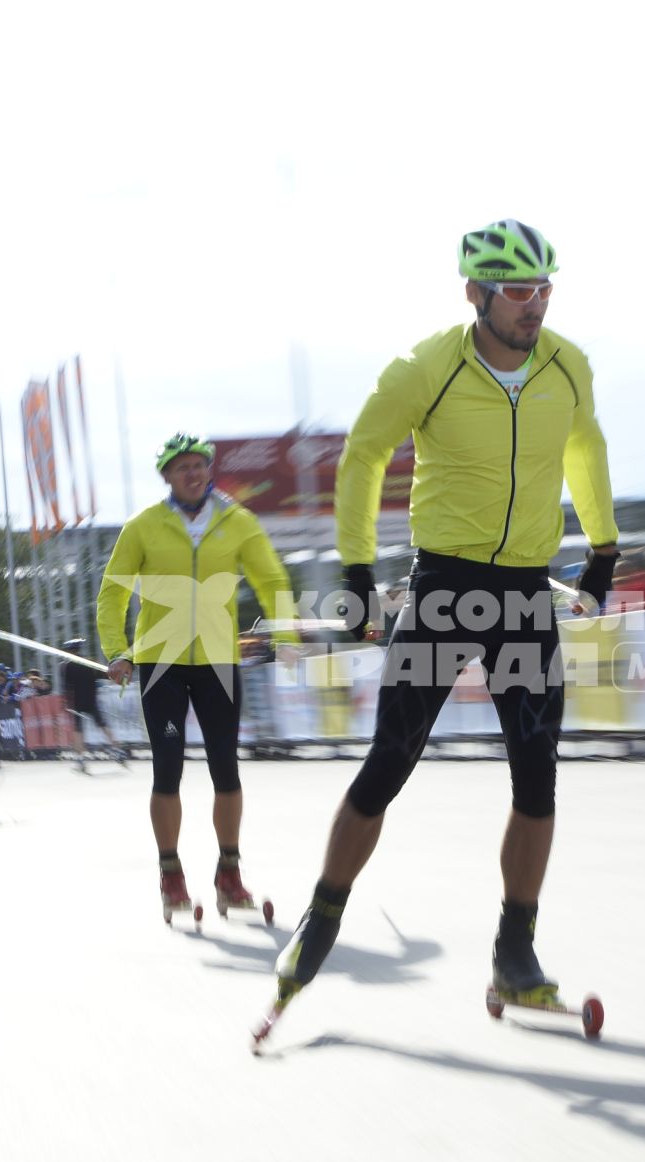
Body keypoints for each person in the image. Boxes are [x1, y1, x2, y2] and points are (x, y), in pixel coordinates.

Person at [261, 219, 620, 1039]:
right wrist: (355, 575)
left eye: (545, 289)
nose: (536, 306)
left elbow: (585, 448)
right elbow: (363, 454)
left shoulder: (569, 366)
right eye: (519, 292)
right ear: (477, 295)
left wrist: (604, 546)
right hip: (444, 589)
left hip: (526, 594)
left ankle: (514, 952)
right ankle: (321, 920)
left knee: (538, 778)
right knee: (389, 762)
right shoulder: (427, 367)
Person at [95, 432, 298, 919]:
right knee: (168, 767)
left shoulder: (238, 521)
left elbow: (271, 580)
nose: (192, 473)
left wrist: (286, 637)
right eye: (181, 466)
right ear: (165, 475)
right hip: (160, 666)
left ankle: (229, 876)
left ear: (209, 471)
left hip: (217, 664)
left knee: (226, 768)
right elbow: (112, 594)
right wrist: (118, 651)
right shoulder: (143, 527)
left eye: (199, 465)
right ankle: (171, 876)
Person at [61, 638, 125, 773]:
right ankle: (118, 749)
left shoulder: (67, 665)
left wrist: (66, 703)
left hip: (77, 701)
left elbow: (67, 686)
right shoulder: (89, 662)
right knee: (102, 724)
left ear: (69, 650)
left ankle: (81, 758)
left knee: (78, 730)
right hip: (91, 699)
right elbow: (104, 675)